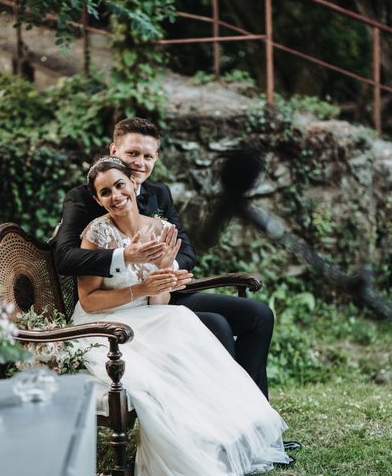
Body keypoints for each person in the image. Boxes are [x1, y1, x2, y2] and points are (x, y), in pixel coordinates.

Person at [73, 156, 292, 475]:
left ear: (134, 183)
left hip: (147, 316)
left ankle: (227, 435)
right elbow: (89, 301)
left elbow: (159, 302)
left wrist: (163, 273)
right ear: (97, 199)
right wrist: (141, 288)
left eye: (120, 185)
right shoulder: (96, 235)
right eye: (105, 192)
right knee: (163, 368)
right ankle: (191, 447)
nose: (116, 196)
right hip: (102, 323)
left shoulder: (162, 230)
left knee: (188, 327)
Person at [54, 117, 275, 399]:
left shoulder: (159, 194)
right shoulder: (86, 197)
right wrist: (125, 256)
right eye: (132, 153)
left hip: (165, 293)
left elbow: (186, 250)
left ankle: (257, 412)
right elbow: (65, 258)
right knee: (217, 325)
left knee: (259, 316)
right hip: (122, 302)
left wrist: (166, 270)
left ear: (156, 158)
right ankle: (228, 407)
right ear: (114, 151)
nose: (139, 163)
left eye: (148, 156)